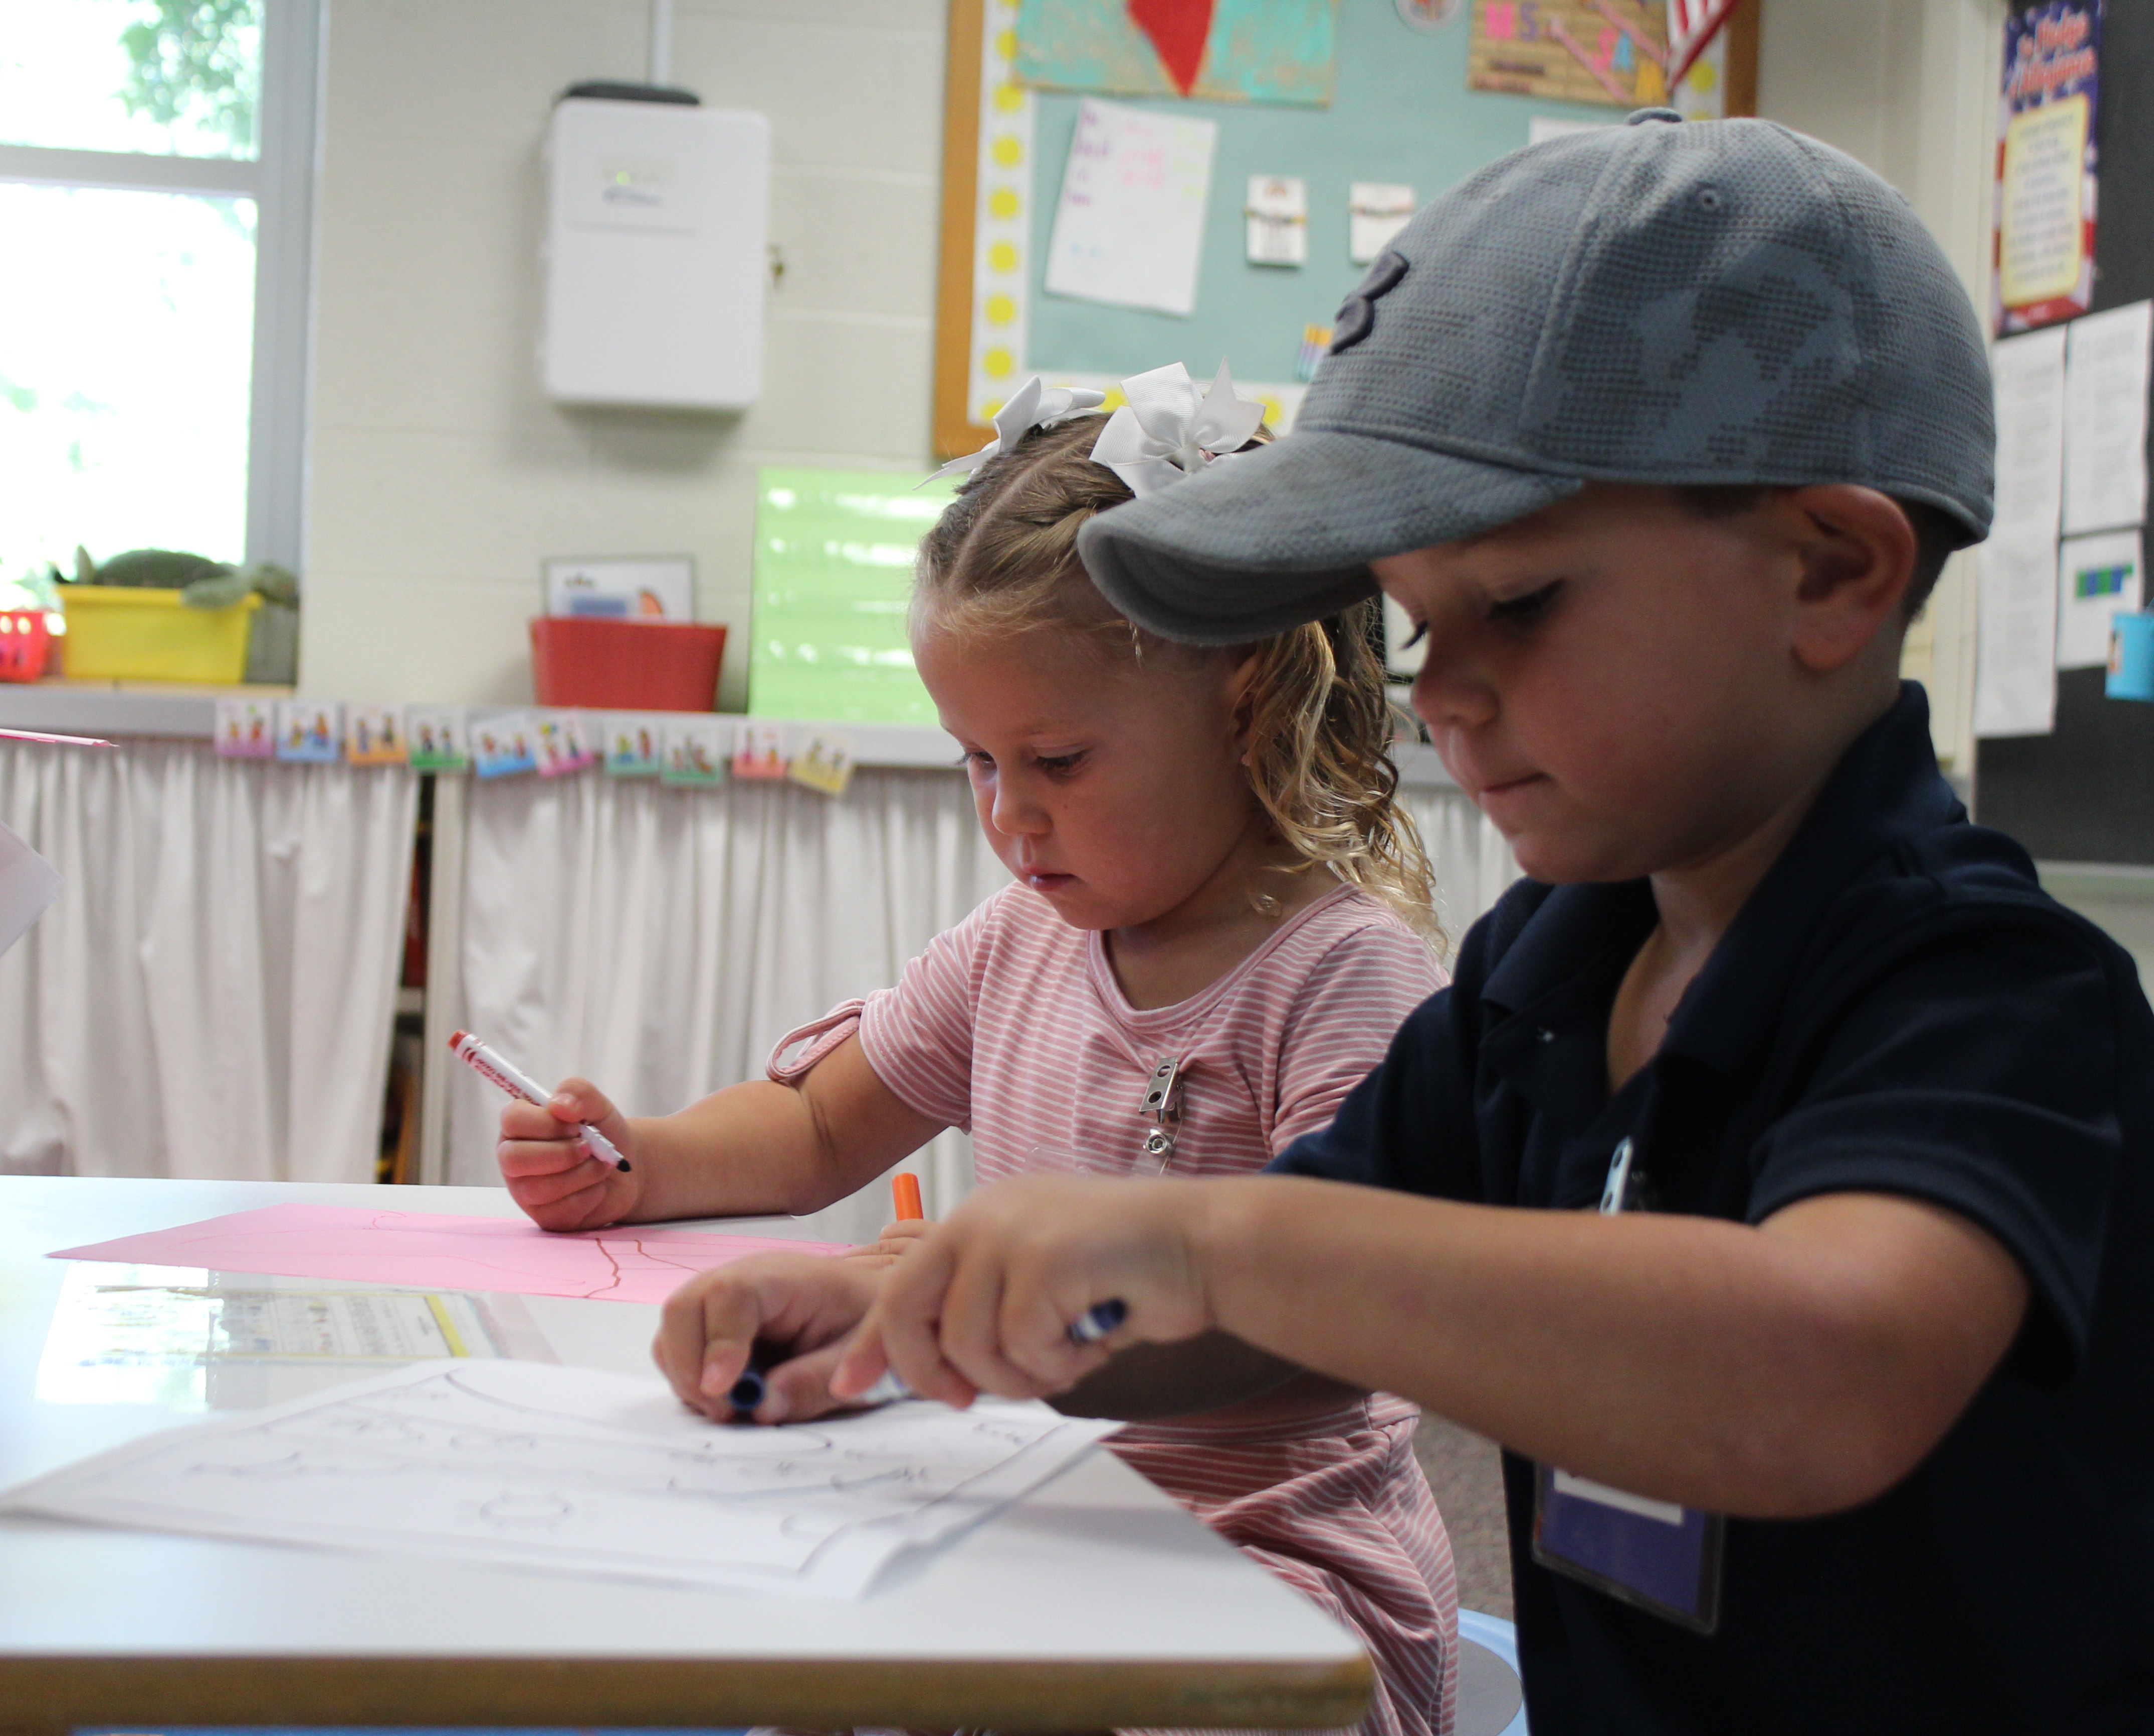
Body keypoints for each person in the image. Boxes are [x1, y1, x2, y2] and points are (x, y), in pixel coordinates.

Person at [660, 112, 2154, 1732]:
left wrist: (1195, 1234)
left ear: (1830, 572)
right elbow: (1271, 1334)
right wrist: (936, 1319)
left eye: (1513, 602)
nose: (1440, 695)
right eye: (1417, 622)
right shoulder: (1545, 973)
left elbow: (1822, 1372)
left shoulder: (1985, 983)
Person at [499, 380, 1458, 1736]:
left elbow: (1321, 1332)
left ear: (1247, 705)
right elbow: (824, 1131)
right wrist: (645, 1164)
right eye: (978, 762)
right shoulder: (1021, 940)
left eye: (1057, 760)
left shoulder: (1345, 977)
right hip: (1032, 1514)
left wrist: (963, 1330)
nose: (1012, 818)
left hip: (1271, 1572)